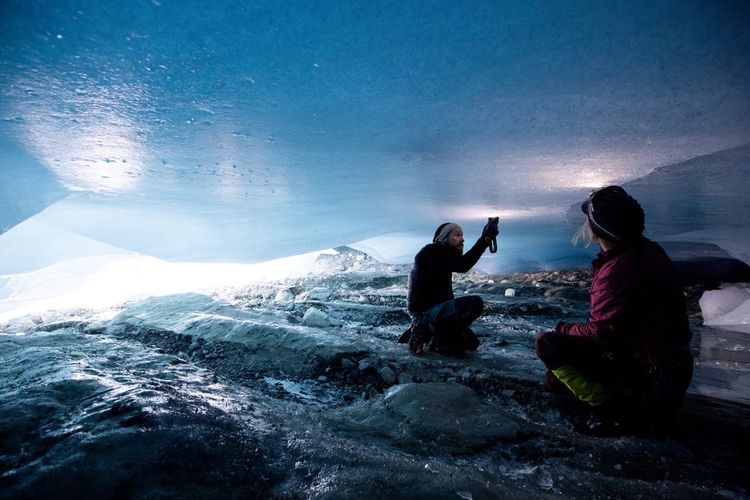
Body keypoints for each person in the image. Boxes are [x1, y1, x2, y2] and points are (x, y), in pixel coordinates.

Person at [535, 186, 693, 435]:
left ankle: (607, 406)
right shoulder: (649, 251)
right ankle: (624, 398)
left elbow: (601, 332)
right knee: (556, 380)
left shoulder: (619, 267)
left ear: (599, 229)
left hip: (650, 371)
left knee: (548, 345)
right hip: (672, 366)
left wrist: (563, 328)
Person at [400, 217, 499, 356]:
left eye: (462, 235)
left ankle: (433, 334)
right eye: (457, 235)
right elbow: (463, 265)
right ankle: (431, 335)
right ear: (443, 238)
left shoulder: (441, 256)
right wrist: (486, 238)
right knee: (474, 304)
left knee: (471, 344)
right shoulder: (432, 251)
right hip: (424, 314)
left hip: (433, 313)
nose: (462, 239)